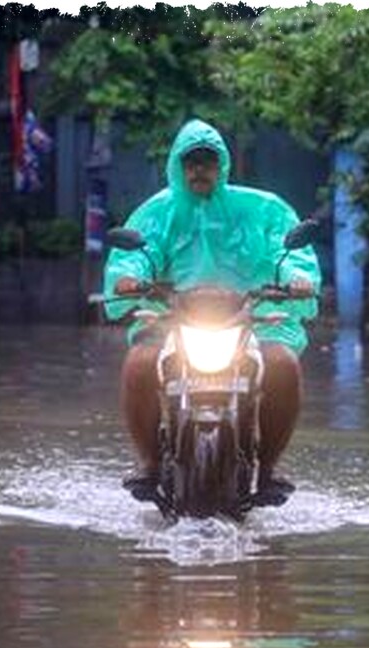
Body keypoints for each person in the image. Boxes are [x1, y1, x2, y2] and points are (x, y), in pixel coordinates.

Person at [103, 119, 321, 503]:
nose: (199, 170)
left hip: (251, 316)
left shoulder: (261, 208)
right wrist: (129, 278)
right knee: (139, 362)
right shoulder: (159, 212)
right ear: (178, 166)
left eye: (207, 161)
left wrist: (295, 276)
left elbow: (284, 250)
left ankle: (268, 470)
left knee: (283, 366)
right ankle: (150, 465)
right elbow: (140, 253)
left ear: (222, 165)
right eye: (191, 162)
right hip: (173, 317)